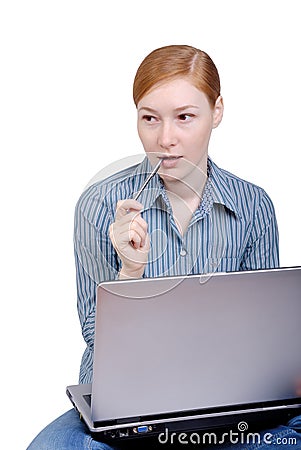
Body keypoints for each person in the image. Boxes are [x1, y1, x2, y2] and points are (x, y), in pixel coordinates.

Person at [27, 45, 301, 449]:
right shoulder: (100, 205)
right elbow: (96, 338)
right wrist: (130, 273)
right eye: (149, 119)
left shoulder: (253, 206)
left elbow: (266, 341)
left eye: (185, 117)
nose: (165, 139)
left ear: (217, 111)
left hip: (226, 403)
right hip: (129, 405)